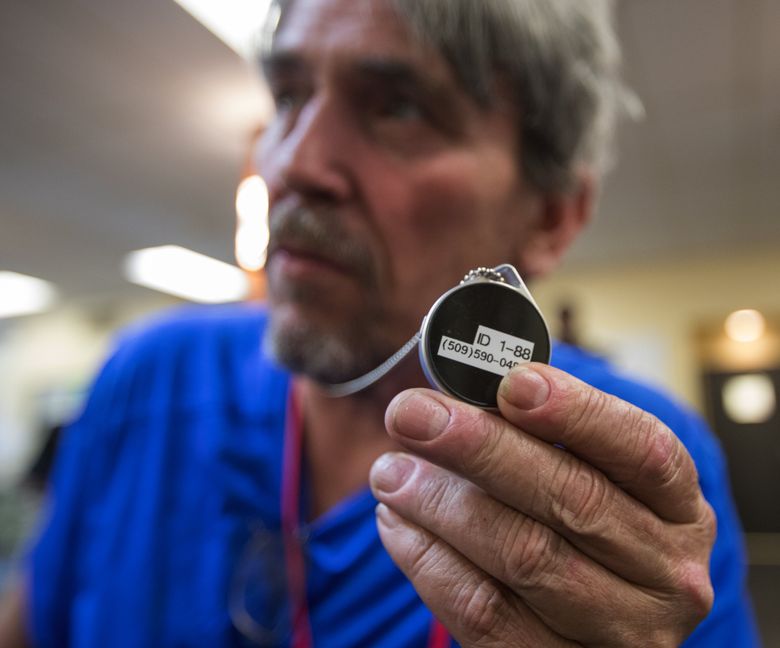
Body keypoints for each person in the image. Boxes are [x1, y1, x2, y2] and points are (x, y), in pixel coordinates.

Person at [0, 0, 760, 645]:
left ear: (551, 216)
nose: (291, 165)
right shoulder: (148, 377)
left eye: (397, 107)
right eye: (288, 96)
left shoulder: (642, 469)